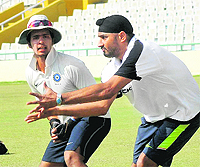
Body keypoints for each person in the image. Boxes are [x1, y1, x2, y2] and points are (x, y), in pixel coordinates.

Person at [25, 15, 200, 167]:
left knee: (145, 163)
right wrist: (56, 111)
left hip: (183, 115)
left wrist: (59, 99)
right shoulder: (112, 68)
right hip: (153, 119)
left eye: (103, 37)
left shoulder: (142, 51)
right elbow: (101, 106)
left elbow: (107, 90)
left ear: (121, 37)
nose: (98, 43)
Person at [19, 15, 111, 167]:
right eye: (35, 37)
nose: (41, 41)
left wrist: (72, 120)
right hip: (66, 124)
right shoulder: (30, 72)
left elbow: (96, 100)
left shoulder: (72, 65)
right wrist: (54, 122)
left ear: (52, 40)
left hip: (93, 117)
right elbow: (47, 105)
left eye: (45, 36)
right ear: (29, 44)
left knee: (72, 158)